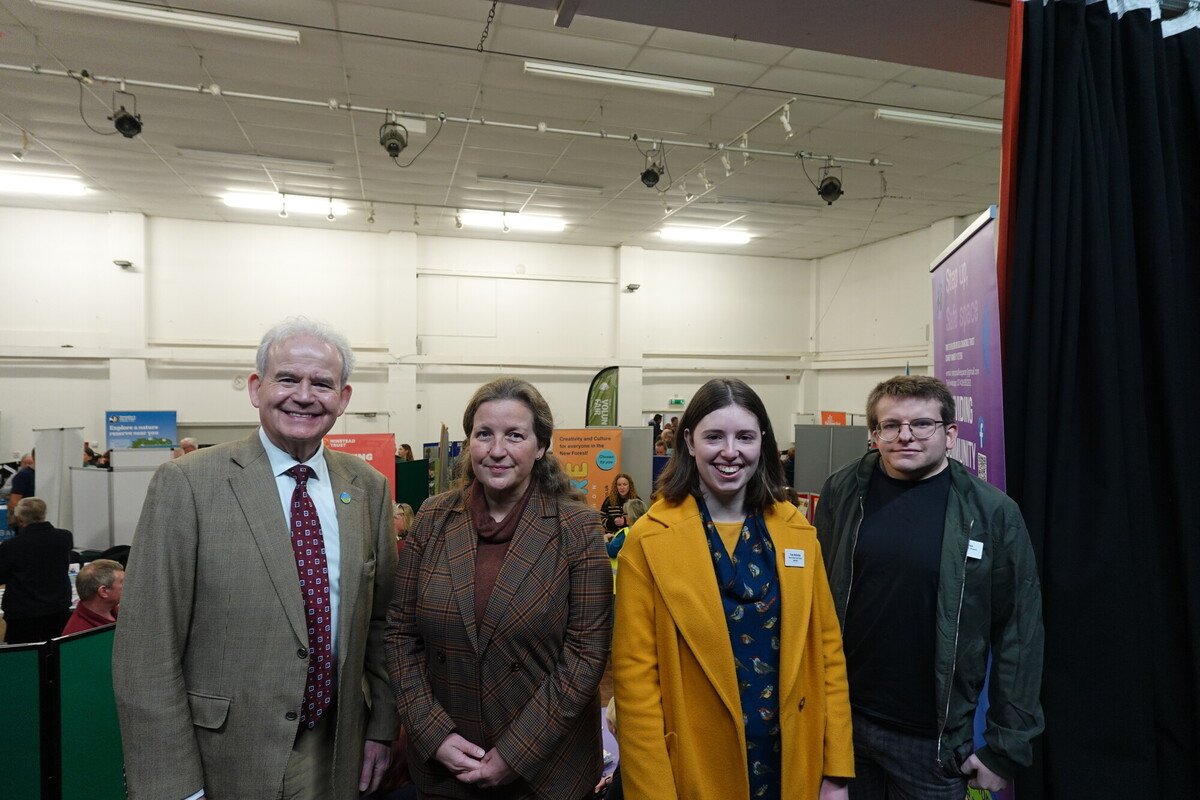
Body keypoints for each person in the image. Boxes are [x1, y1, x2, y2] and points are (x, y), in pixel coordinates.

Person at [112, 318, 398, 800]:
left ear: (343, 399)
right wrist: (173, 786)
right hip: (224, 755)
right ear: (255, 387)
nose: (303, 396)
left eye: (321, 383)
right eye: (287, 378)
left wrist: (382, 726)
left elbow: (381, 622)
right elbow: (146, 647)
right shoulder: (187, 484)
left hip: (337, 748)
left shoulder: (367, 488)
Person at [613, 378, 853, 800]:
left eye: (744, 436)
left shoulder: (797, 531)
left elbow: (828, 653)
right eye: (713, 437)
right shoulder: (648, 539)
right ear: (688, 441)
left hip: (791, 762)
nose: (730, 452)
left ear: (763, 441)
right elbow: (635, 682)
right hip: (693, 767)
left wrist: (836, 771)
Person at [815, 375, 1044, 798]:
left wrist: (1005, 747)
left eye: (922, 424)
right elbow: (818, 604)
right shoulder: (842, 492)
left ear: (950, 433)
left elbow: (1019, 634)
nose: (906, 436)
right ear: (874, 434)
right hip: (844, 728)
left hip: (932, 745)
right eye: (891, 425)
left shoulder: (992, 514)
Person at [386, 377, 612, 800]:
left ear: (541, 445)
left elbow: (586, 654)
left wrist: (514, 753)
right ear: (468, 442)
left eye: (515, 435)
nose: (497, 449)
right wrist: (433, 734)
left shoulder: (576, 529)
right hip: (446, 767)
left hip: (546, 771)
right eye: (483, 434)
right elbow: (400, 634)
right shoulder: (434, 520)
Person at [0, 497, 73, 643]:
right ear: (43, 513)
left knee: (25, 656)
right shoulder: (65, 537)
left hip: (23, 612)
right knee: (56, 651)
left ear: (20, 518)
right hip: (58, 606)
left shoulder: (12, 546)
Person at [62, 558, 124, 634]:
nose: (128, 586)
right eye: (123, 583)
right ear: (103, 591)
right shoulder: (79, 636)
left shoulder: (117, 611)